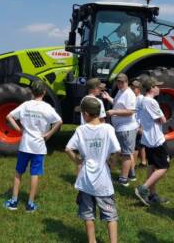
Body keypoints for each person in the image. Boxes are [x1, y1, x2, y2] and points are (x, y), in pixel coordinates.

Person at [66, 97, 121, 243]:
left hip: (85, 180)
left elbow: (68, 148)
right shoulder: (108, 128)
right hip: (103, 180)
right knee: (111, 216)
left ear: (85, 114)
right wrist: (112, 164)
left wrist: (77, 159)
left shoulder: (81, 130)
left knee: (88, 215)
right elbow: (117, 150)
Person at [3, 80, 63, 212]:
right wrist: (48, 134)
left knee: (18, 172)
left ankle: (13, 201)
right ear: (44, 92)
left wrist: (19, 129)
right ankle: (30, 204)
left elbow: (9, 116)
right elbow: (59, 121)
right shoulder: (47, 108)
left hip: (25, 145)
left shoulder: (25, 105)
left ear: (31, 92)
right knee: (34, 174)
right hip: (39, 147)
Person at [134, 77, 170, 206]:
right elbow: (163, 119)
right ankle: (143, 189)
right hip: (156, 140)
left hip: (148, 139)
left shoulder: (142, 100)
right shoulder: (152, 102)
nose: (159, 88)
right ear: (152, 88)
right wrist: (161, 117)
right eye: (157, 86)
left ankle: (152, 194)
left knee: (152, 165)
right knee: (164, 167)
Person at [102, 73, 139, 187]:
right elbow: (118, 105)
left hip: (127, 128)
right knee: (127, 152)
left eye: (122, 82)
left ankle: (123, 180)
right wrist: (109, 98)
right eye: (118, 82)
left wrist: (113, 112)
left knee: (126, 154)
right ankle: (131, 175)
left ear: (127, 82)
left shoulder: (129, 94)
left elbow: (131, 111)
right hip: (121, 128)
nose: (119, 84)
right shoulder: (120, 91)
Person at [130, 79, 147, 168]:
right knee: (141, 145)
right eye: (131, 88)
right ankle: (143, 162)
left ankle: (133, 166)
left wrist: (141, 126)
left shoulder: (141, 99)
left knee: (136, 146)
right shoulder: (134, 98)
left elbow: (144, 113)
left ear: (139, 89)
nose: (133, 90)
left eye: (134, 89)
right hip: (135, 125)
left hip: (139, 125)